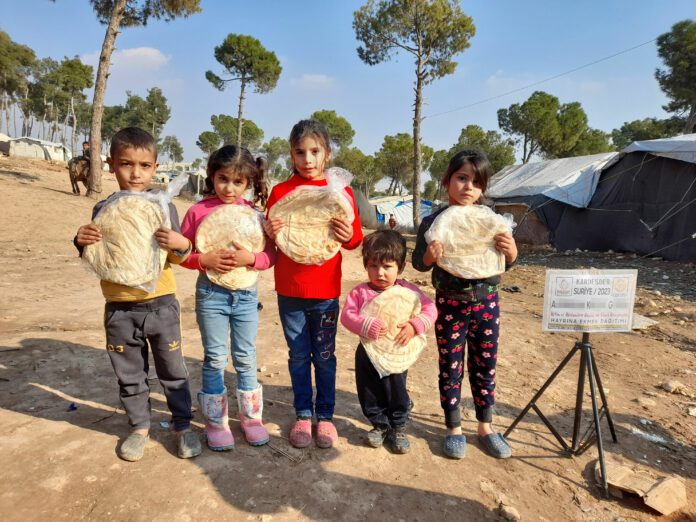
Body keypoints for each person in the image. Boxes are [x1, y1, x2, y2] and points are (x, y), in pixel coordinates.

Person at [73, 127, 201, 462]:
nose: (135, 173)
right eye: (126, 164)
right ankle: (140, 426)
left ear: (156, 167)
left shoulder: (163, 206)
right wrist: (81, 241)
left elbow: (179, 256)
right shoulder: (104, 207)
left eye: (144, 165)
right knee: (129, 373)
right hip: (119, 308)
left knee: (173, 370)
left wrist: (182, 244)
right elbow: (101, 256)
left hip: (162, 306)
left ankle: (183, 426)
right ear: (111, 164)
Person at [412, 148, 518, 460]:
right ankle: (453, 428)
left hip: (487, 304)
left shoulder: (491, 221)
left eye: (477, 182)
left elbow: (500, 263)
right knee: (451, 367)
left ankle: (485, 427)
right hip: (450, 305)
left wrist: (511, 252)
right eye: (461, 178)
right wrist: (431, 256)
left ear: (484, 188)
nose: (468, 187)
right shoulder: (435, 222)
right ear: (447, 180)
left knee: (485, 366)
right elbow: (420, 263)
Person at [265, 119, 363, 449]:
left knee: (324, 355)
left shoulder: (339, 192)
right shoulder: (281, 193)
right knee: (297, 355)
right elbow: (270, 240)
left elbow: (354, 239)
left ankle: (326, 417)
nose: (307, 159)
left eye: (314, 152)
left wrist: (349, 235)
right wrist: (268, 231)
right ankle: (303, 414)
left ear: (328, 153)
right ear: (291, 155)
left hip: (325, 293)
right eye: (299, 152)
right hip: (290, 291)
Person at [179, 145, 276, 450]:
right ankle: (216, 423)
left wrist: (251, 258)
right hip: (211, 294)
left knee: (246, 358)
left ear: (249, 182)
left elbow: (269, 256)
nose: (229, 188)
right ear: (211, 176)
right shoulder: (197, 212)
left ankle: (251, 419)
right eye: (223, 179)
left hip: (246, 295)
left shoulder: (255, 217)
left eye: (238, 182)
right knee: (215, 358)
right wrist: (203, 260)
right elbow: (181, 254)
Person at [340, 230, 436, 454]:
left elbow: (430, 309)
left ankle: (399, 426)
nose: (380, 273)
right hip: (368, 351)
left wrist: (415, 325)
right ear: (366, 265)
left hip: (396, 351)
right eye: (373, 266)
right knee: (368, 389)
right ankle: (379, 424)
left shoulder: (408, 291)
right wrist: (365, 325)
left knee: (396, 388)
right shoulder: (360, 293)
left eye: (387, 266)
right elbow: (347, 316)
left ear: (400, 267)